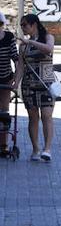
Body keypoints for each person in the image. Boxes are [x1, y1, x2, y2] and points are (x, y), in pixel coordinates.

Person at [17, 13, 56, 162]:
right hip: (29, 85)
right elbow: (21, 66)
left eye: (25, 25)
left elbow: (48, 49)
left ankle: (47, 149)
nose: (23, 28)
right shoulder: (22, 46)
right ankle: (36, 148)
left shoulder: (47, 37)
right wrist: (15, 82)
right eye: (21, 25)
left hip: (46, 83)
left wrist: (31, 43)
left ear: (34, 25)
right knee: (33, 118)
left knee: (47, 116)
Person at [0, 13, 17, 155]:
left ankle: (4, 144)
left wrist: (16, 79)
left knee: (4, 112)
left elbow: (15, 58)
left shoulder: (9, 37)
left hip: (5, 78)